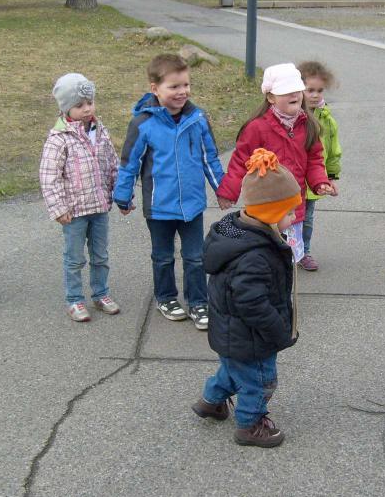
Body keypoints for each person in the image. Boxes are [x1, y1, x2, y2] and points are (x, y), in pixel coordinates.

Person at [192, 148, 301, 448]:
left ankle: (211, 402)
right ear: (270, 214)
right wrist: (278, 332)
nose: (294, 218)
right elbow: (252, 303)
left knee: (233, 369)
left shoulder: (240, 233)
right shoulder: (256, 256)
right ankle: (250, 424)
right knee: (260, 380)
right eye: (289, 213)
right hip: (251, 337)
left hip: (232, 334)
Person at [113, 54, 224, 330]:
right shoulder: (143, 123)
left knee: (196, 257)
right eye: (174, 86)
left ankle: (199, 302)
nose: (182, 91)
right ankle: (166, 297)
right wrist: (123, 195)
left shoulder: (197, 119)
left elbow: (209, 157)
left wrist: (223, 189)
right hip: (159, 206)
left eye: (185, 84)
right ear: (155, 89)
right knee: (162, 256)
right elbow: (129, 164)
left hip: (191, 205)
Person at [215, 63, 336, 267]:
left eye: (297, 90)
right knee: (265, 258)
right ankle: (265, 293)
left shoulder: (308, 125)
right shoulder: (257, 127)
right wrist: (228, 191)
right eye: (286, 91)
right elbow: (240, 161)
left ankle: (285, 296)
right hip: (265, 207)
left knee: (288, 259)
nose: (294, 95)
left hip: (292, 207)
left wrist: (319, 182)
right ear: (271, 97)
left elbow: (315, 159)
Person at [40, 73, 120, 323]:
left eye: (90, 103)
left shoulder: (100, 130)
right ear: (66, 108)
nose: (87, 109)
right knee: (74, 258)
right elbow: (49, 176)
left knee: (101, 255)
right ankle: (74, 299)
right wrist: (58, 208)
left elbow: (112, 163)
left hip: (99, 207)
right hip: (73, 211)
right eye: (79, 105)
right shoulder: (59, 138)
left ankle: (101, 293)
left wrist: (121, 195)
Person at [296, 61, 343, 272]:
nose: (315, 95)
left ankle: (304, 252)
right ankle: (284, 251)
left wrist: (331, 176)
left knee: (307, 218)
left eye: (319, 91)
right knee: (286, 218)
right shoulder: (292, 115)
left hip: (315, 181)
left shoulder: (326, 118)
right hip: (291, 179)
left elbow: (332, 150)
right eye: (310, 90)